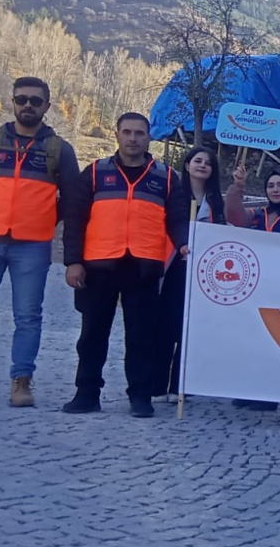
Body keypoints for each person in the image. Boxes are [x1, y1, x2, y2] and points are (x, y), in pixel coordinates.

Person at [0, 75, 83, 407]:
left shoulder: (59, 150)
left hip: (32, 246)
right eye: (21, 99)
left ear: (46, 107)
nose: (27, 105)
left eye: (35, 100)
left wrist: (45, 219)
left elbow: (73, 198)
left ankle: (21, 383)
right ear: (12, 102)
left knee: (28, 316)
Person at [62, 113, 190, 418]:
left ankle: (140, 396)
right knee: (92, 334)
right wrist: (73, 262)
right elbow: (75, 220)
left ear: (149, 138)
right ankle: (87, 393)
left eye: (140, 133)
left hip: (143, 267)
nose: (133, 138)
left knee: (142, 336)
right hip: (98, 265)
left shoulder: (167, 177)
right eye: (127, 132)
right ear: (116, 135)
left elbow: (178, 219)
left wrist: (185, 244)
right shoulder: (94, 173)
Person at [156, 144, 225, 401]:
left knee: (190, 329)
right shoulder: (176, 194)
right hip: (175, 264)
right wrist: (183, 243)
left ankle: (180, 385)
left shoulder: (216, 201)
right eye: (198, 161)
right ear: (187, 165)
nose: (202, 166)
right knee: (166, 325)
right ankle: (157, 385)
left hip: (202, 271)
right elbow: (171, 223)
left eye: (207, 163)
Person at [226, 163, 280, 233]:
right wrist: (238, 185)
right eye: (270, 186)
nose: (275, 190)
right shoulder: (255, 215)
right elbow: (233, 217)